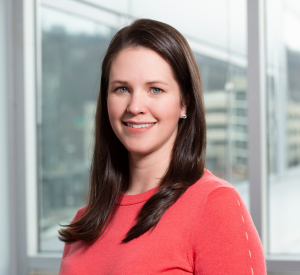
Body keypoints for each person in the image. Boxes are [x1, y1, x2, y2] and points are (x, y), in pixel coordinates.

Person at [58, 18, 266, 274]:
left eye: (155, 90)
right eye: (121, 89)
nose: (135, 107)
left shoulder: (215, 206)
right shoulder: (83, 221)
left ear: (184, 103)